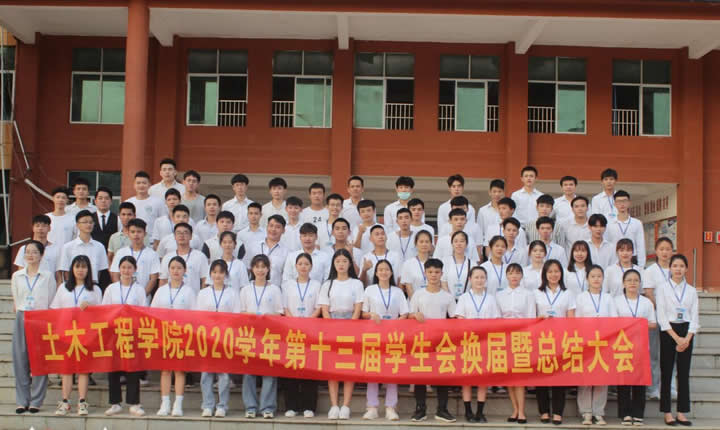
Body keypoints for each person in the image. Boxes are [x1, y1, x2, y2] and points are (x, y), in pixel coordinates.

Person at [51, 255, 102, 416]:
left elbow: (102, 312)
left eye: (84, 267)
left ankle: (82, 402)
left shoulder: (95, 289)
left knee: (83, 369)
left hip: (86, 334)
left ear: (89, 270)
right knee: (66, 369)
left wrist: (91, 306)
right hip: (66, 333)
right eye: (77, 266)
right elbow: (55, 310)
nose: (80, 270)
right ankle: (65, 401)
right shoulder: (63, 288)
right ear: (72, 269)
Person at [409, 258, 456, 423]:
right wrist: (415, 315)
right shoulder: (418, 294)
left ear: (441, 274)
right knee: (420, 375)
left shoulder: (448, 296)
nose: (433, 275)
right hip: (422, 340)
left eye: (437, 272)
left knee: (442, 375)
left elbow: (454, 318)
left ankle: (442, 409)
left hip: (441, 340)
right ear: (425, 273)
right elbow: (409, 314)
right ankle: (420, 408)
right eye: (430, 272)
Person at [318, 249, 364, 420]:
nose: (341, 264)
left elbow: (358, 307)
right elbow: (324, 308)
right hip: (332, 325)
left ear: (350, 263)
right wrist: (332, 327)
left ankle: (345, 405)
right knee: (333, 367)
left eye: (344, 261)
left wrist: (350, 326)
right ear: (333, 264)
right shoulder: (327, 284)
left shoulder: (356, 284)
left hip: (351, 324)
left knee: (348, 366)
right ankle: (334, 405)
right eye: (338, 261)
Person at [11, 240, 54, 415]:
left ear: (41, 255)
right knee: (20, 359)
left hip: (40, 317)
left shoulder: (47, 276)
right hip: (22, 316)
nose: (30, 255)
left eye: (34, 252)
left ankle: (36, 400)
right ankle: (22, 400)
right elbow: (16, 299)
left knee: (39, 360)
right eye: (27, 252)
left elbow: (50, 300)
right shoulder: (17, 276)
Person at [361, 260, 408, 421]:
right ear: (376, 273)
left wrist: (396, 323)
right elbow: (363, 313)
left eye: (386, 269)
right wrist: (371, 315)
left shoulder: (397, 291)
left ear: (391, 272)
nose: (383, 272)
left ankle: (391, 407)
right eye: (380, 269)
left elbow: (404, 313)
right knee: (373, 369)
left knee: (392, 370)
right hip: (374, 335)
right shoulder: (370, 290)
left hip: (393, 336)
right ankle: (372, 407)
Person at [151, 256, 197, 416]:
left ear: (184, 271)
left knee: (179, 370)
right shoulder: (161, 290)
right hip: (164, 334)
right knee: (165, 370)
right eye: (173, 268)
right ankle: (165, 403)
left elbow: (194, 315)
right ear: (168, 270)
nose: (176, 271)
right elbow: (153, 312)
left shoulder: (189, 291)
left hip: (181, 335)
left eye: (179, 268)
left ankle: (178, 404)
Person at [656, 254, 699, 426]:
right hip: (668, 331)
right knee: (666, 372)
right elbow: (661, 315)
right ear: (670, 268)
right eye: (675, 266)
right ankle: (667, 412)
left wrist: (686, 338)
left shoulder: (692, 291)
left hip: (686, 331)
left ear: (686, 269)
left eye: (681, 266)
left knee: (683, 373)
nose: (678, 269)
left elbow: (695, 317)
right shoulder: (662, 288)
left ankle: (681, 412)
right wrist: (676, 338)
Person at [102, 256, 147, 417]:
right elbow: (104, 309)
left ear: (134, 270)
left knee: (133, 368)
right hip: (114, 332)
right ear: (119, 269)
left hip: (132, 333)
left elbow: (143, 310)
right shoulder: (111, 288)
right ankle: (115, 403)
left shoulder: (139, 289)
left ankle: (134, 403)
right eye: (123, 267)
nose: (126, 270)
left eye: (129, 267)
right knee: (113, 367)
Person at [239, 255, 283, 418]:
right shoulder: (245, 289)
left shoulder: (274, 289)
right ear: (252, 269)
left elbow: (279, 313)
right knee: (248, 372)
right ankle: (250, 406)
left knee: (269, 371)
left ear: (268, 269)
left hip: (269, 335)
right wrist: (254, 316)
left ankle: (267, 407)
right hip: (250, 335)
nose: (260, 270)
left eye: (263, 267)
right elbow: (241, 312)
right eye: (257, 267)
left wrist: (265, 317)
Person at [454, 266, 499, 423]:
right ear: (470, 279)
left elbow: (495, 321)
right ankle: (468, 412)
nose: (479, 280)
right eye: (476, 277)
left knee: (482, 379)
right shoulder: (464, 297)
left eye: (482, 277)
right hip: (468, 342)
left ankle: (480, 412)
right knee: (467, 378)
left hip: (485, 342)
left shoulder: (491, 298)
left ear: (486, 280)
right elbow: (459, 319)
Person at [196, 260, 241, 418]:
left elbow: (236, 316)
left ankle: (222, 405)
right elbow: (198, 316)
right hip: (207, 337)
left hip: (225, 337)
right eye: (214, 272)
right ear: (210, 274)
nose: (217, 275)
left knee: (224, 374)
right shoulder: (203, 293)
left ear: (225, 275)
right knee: (206, 374)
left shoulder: (232, 293)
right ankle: (207, 405)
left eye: (221, 272)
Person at [574, 264, 617, 425]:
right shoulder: (581, 297)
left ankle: (598, 412)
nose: (596, 279)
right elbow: (576, 320)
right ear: (587, 279)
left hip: (604, 342)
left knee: (601, 376)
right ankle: (586, 411)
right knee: (585, 377)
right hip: (586, 341)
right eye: (593, 276)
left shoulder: (608, 298)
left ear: (603, 279)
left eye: (599, 276)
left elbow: (614, 319)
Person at [534, 259, 575, 425]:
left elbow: (571, 318)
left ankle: (558, 412)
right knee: (541, 376)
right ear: (544, 274)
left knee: (559, 376)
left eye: (556, 271)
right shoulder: (537, 293)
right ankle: (544, 411)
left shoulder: (568, 293)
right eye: (550, 271)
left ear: (561, 274)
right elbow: (531, 316)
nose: (553, 274)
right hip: (541, 339)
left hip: (560, 339)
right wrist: (540, 319)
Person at [281, 253, 322, 418]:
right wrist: (294, 321)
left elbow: (319, 306)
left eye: (306, 264)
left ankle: (309, 406)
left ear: (311, 266)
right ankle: (291, 406)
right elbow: (284, 306)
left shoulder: (317, 285)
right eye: (300, 264)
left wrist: (308, 321)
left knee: (309, 367)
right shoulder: (288, 285)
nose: (303, 267)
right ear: (295, 267)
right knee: (291, 367)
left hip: (310, 331)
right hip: (291, 330)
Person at [615, 268, 656, 426]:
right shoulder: (616, 301)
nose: (632, 283)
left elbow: (653, 323)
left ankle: (638, 414)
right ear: (623, 283)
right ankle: (625, 413)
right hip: (622, 346)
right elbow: (612, 322)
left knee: (639, 380)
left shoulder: (646, 302)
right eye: (629, 280)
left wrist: (639, 324)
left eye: (636, 280)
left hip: (641, 346)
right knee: (624, 380)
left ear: (640, 283)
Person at [496, 263, 535, 424]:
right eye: (511, 273)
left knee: (519, 375)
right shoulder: (499, 295)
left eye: (517, 273)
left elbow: (531, 316)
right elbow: (497, 317)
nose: (514, 276)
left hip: (521, 337)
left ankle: (522, 411)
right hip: (505, 337)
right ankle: (515, 409)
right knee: (509, 377)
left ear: (521, 276)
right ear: (506, 276)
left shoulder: (528, 294)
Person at [643, 237, 675, 400]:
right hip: (655, 316)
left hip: (673, 318)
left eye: (668, 249)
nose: (664, 252)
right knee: (654, 354)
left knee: (671, 354)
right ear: (656, 251)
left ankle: (670, 387)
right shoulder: (650, 271)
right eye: (661, 249)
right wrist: (662, 309)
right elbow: (649, 293)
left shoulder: (676, 268)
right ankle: (653, 388)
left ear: (672, 251)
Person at [58, 210, 109, 289]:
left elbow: (100, 271)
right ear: (77, 225)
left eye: (91, 222)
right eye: (85, 222)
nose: (88, 225)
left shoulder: (99, 246)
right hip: (73, 287)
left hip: (92, 287)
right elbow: (65, 271)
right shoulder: (68, 247)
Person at [109, 219, 160, 297]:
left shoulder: (152, 254)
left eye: (139, 232)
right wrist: (121, 293)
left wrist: (142, 296)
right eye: (133, 232)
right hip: (123, 298)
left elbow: (153, 279)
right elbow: (115, 274)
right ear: (128, 233)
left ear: (145, 234)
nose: (136, 234)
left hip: (143, 298)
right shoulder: (121, 252)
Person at [158, 223, 208, 293]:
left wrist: (201, 297)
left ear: (191, 236)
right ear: (174, 236)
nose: (181, 235)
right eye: (178, 233)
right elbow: (163, 280)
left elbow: (204, 280)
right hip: (171, 297)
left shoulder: (200, 256)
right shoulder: (167, 257)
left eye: (185, 232)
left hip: (193, 297)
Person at [605, 190, 646, 267]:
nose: (622, 204)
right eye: (619, 202)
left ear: (629, 202)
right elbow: (607, 245)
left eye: (624, 201)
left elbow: (640, 246)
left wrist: (641, 266)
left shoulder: (637, 223)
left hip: (632, 260)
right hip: (614, 261)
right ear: (615, 204)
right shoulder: (609, 224)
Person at [14, 215, 61, 281]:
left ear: (49, 228)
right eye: (37, 226)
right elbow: (20, 271)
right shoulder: (24, 249)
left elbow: (58, 274)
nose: (40, 228)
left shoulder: (56, 249)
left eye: (44, 226)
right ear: (33, 228)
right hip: (29, 285)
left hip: (49, 285)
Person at [244, 214, 288, 284]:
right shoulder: (253, 246)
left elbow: (286, 276)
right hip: (254, 288)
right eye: (271, 226)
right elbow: (246, 269)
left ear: (283, 230)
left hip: (275, 289)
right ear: (267, 227)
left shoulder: (286, 252)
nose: (273, 229)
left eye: (277, 227)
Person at [126, 171, 165, 238]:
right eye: (138, 183)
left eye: (144, 183)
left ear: (149, 185)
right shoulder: (128, 202)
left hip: (152, 241)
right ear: (134, 185)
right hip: (132, 239)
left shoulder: (158, 202)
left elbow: (163, 223)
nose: (141, 185)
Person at [400, 230, 433, 298]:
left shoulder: (436, 262)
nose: (424, 244)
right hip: (414, 301)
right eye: (421, 242)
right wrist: (415, 303)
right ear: (416, 244)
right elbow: (409, 288)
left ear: (430, 244)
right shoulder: (408, 264)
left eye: (427, 242)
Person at [441, 231, 472, 299]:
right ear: (452, 244)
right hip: (448, 300)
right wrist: (451, 300)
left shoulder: (472, 264)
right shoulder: (445, 261)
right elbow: (443, 282)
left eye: (462, 241)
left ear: (466, 244)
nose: (459, 244)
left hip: (467, 300)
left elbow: (474, 285)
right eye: (456, 241)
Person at [476, 179, 505, 250]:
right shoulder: (483, 211)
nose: (497, 194)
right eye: (494, 191)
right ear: (489, 192)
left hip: (503, 246)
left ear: (503, 192)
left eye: (499, 191)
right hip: (487, 246)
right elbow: (479, 232)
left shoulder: (507, 210)